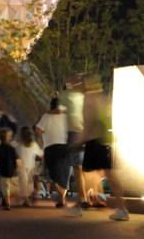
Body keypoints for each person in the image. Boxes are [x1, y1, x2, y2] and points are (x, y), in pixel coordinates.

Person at [71, 74, 129, 221]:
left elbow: (89, 123)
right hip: (105, 140)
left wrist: (80, 141)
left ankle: (121, 208)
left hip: (95, 141)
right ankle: (82, 203)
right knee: (99, 174)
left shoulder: (88, 100)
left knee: (100, 174)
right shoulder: (103, 99)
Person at [59, 75, 87, 213]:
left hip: (71, 134)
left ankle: (75, 201)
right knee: (79, 168)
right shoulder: (83, 97)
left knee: (66, 167)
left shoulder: (65, 96)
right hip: (82, 133)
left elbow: (59, 113)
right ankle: (84, 199)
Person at [35, 97, 69, 207]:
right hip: (66, 147)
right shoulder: (67, 117)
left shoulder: (47, 116)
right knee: (64, 173)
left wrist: (38, 121)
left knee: (54, 174)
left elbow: (38, 130)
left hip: (51, 147)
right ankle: (62, 198)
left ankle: (62, 197)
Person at [0, 127, 19, 209]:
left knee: (6, 188)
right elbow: (18, 160)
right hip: (13, 171)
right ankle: (7, 203)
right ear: (8, 138)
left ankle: (6, 201)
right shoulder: (12, 149)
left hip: (3, 171)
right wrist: (20, 169)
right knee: (12, 189)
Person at [16, 126, 43, 206]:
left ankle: (26, 199)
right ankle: (29, 196)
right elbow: (41, 155)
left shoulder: (18, 145)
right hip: (31, 167)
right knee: (29, 183)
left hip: (21, 167)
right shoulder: (34, 145)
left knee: (23, 183)